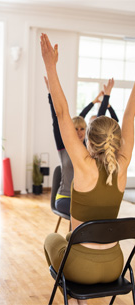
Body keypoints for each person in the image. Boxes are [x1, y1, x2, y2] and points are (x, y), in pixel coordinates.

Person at [40, 33, 135, 305]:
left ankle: (75, 296)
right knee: (71, 237)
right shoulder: (124, 163)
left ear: (88, 142)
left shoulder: (83, 166)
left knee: (51, 238)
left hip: (80, 267)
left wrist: (50, 66)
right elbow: (129, 115)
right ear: (116, 141)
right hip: (115, 265)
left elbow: (61, 112)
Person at [45, 76, 117, 216]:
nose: (78, 132)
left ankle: (86, 237)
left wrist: (106, 96)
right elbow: (56, 119)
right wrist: (51, 94)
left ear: (86, 131)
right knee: (82, 212)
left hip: (85, 198)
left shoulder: (89, 149)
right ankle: (76, 237)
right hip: (65, 198)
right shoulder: (63, 146)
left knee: (100, 212)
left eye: (82, 129)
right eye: (75, 129)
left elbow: (99, 121)